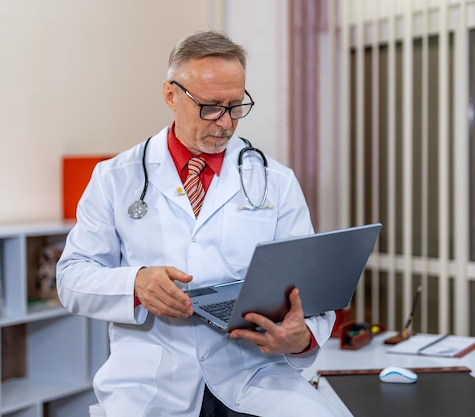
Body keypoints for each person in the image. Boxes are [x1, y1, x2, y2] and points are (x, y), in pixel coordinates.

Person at [56, 30, 340, 417]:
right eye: (210, 107)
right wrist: (135, 282)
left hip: (254, 373)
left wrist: (300, 338)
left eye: (235, 106)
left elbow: (310, 291)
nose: (225, 123)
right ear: (171, 95)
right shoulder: (115, 178)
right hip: (153, 381)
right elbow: (71, 278)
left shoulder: (275, 180)